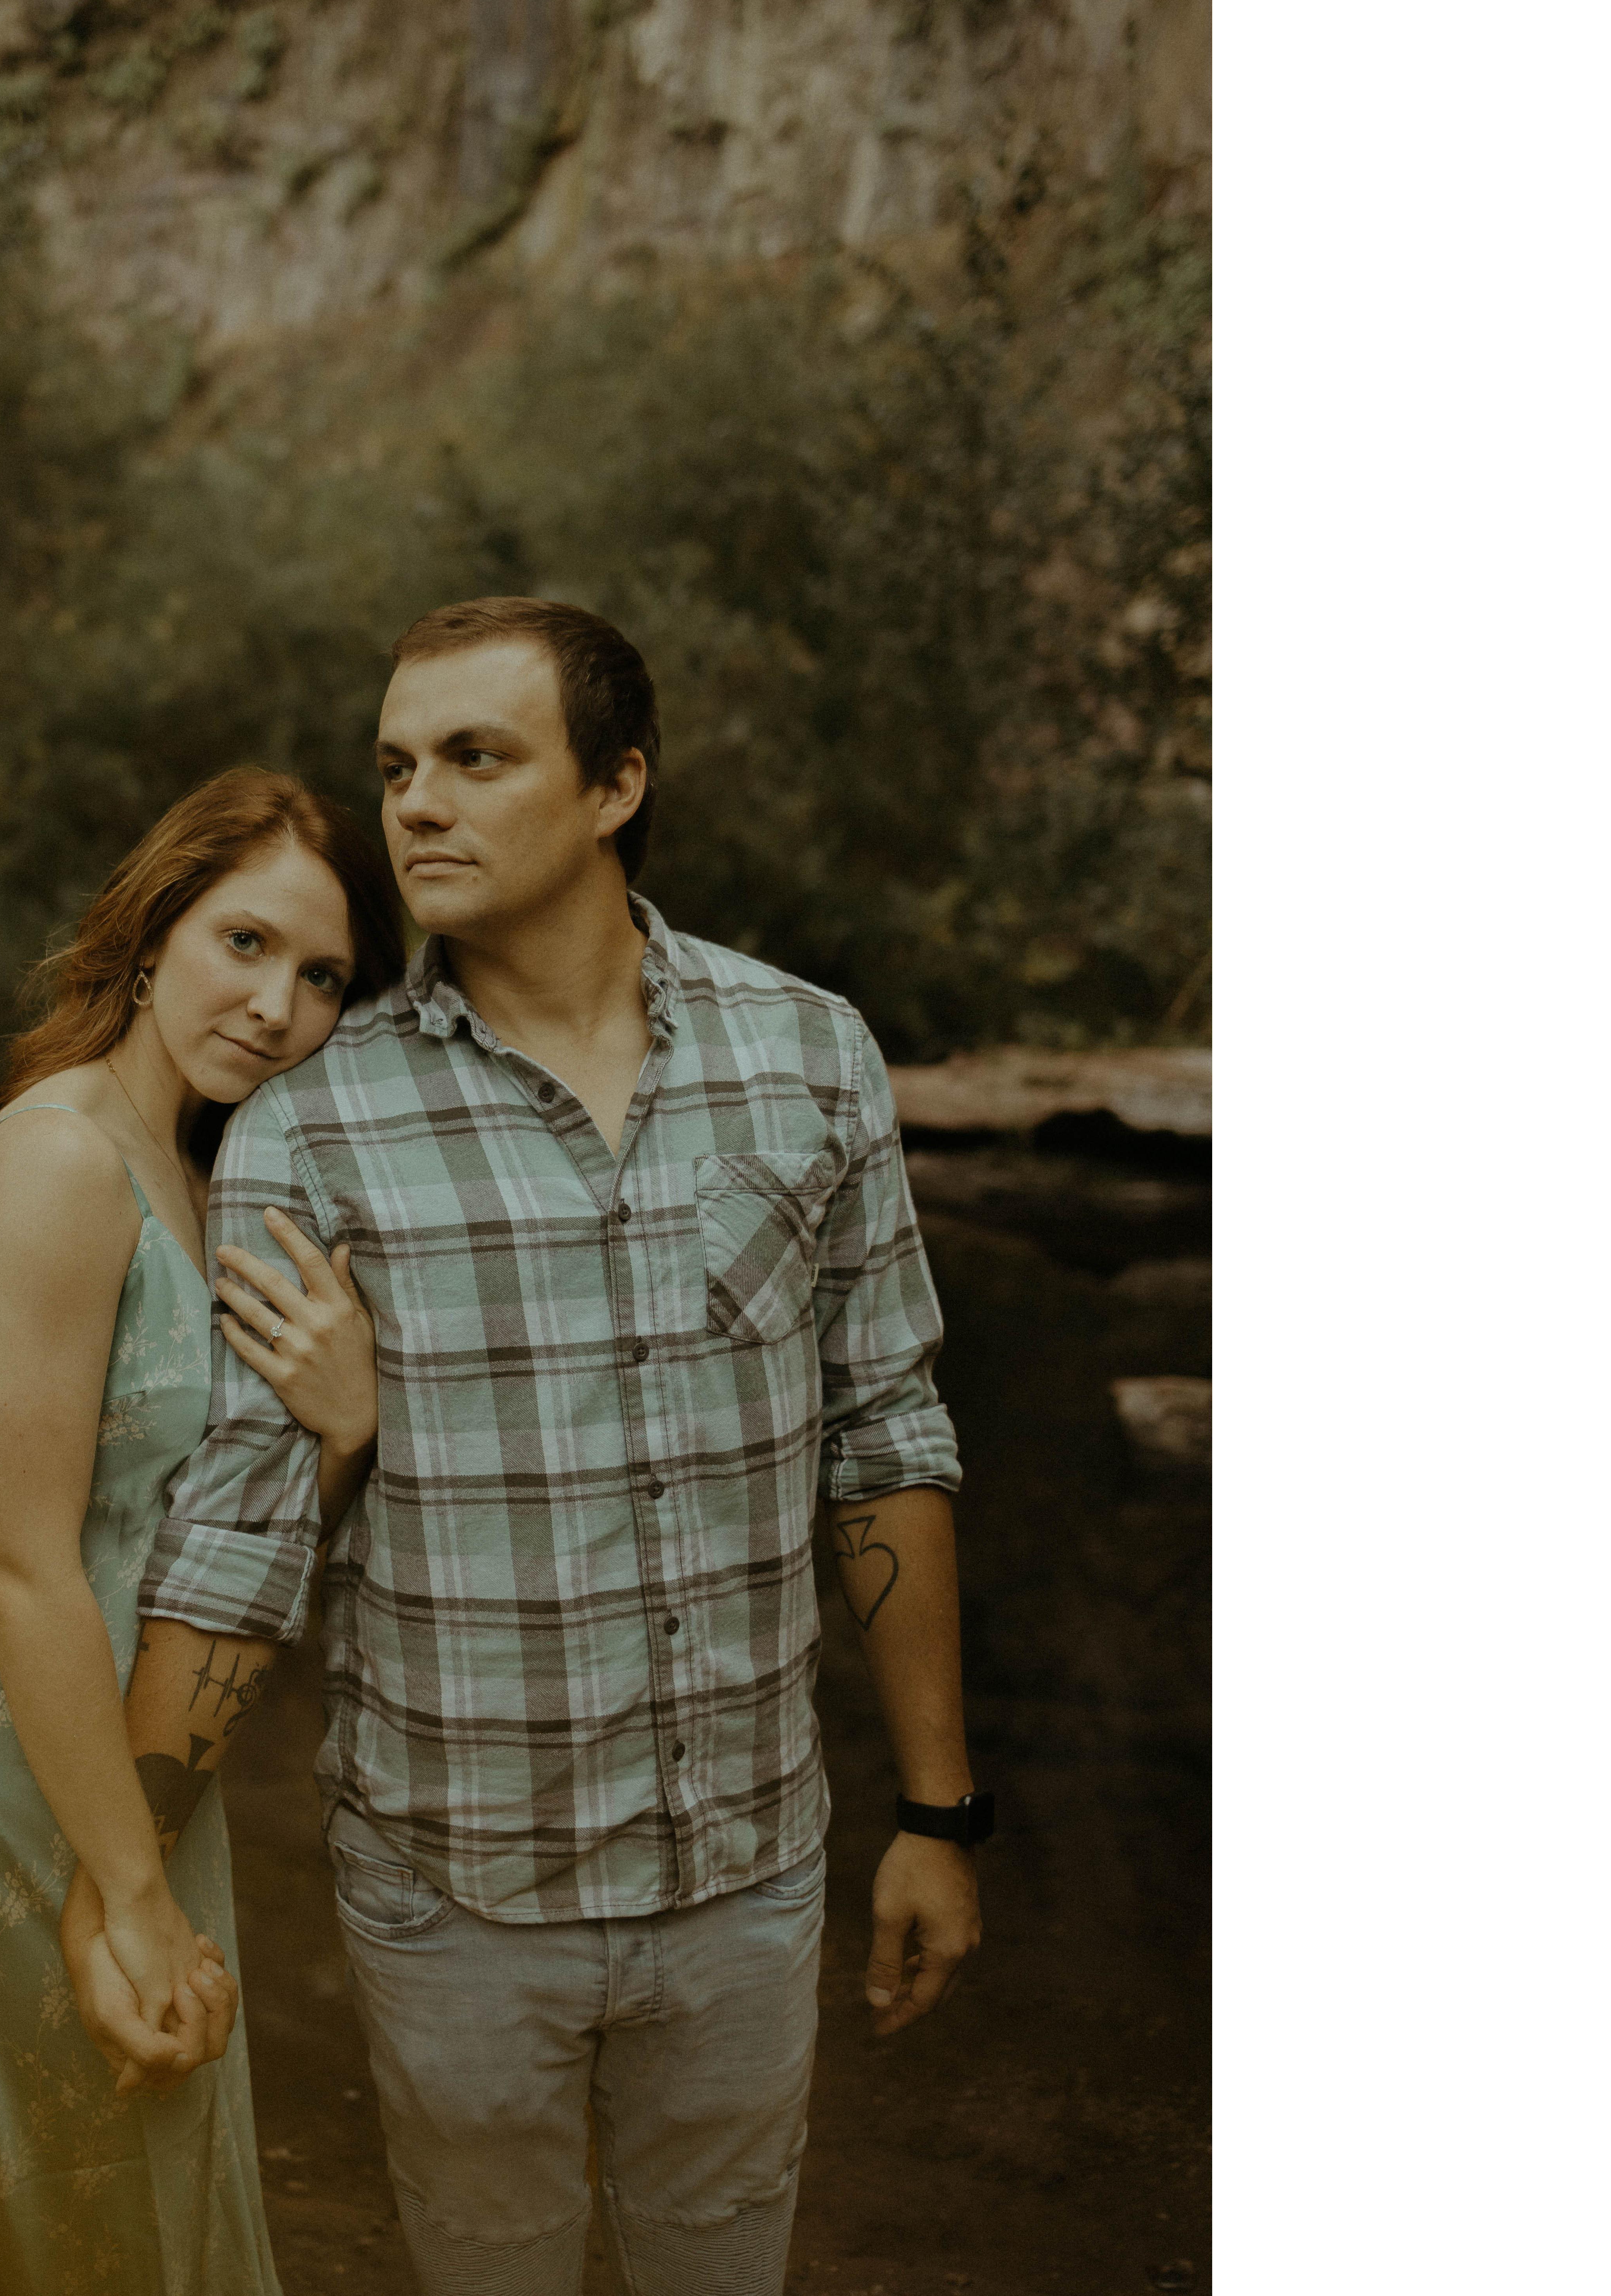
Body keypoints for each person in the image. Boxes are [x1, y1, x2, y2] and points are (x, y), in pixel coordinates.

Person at [66, 598, 989, 2295]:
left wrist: (939, 1812)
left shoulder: (811, 1057)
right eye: (398, 766)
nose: (416, 804)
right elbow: (240, 1531)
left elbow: (888, 1436)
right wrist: (125, 1881)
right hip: (455, 1893)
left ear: (617, 783)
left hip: (750, 1872)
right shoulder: (317, 1122)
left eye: (477, 759)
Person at [0, 768, 401, 2296]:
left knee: (128, 2220)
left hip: (137, 1788)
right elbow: (20, 1560)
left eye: (323, 977)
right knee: (53, 2232)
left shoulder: (194, 1181)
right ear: (153, 939)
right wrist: (122, 1892)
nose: (276, 1005)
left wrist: (341, 1433)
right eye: (245, 943)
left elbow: (211, 1538)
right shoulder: (60, 1163)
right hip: (18, 1792)